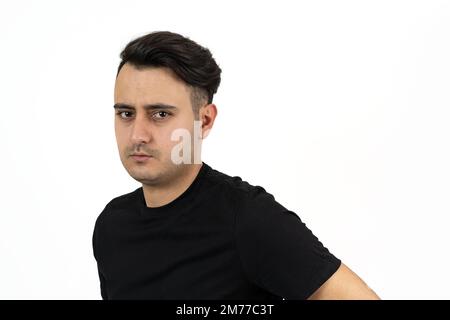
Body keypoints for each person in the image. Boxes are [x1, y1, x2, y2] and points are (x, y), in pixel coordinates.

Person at [92, 30, 380, 300]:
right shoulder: (111, 227)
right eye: (126, 113)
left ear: (204, 120)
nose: (138, 134)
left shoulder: (247, 219)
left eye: (161, 114)